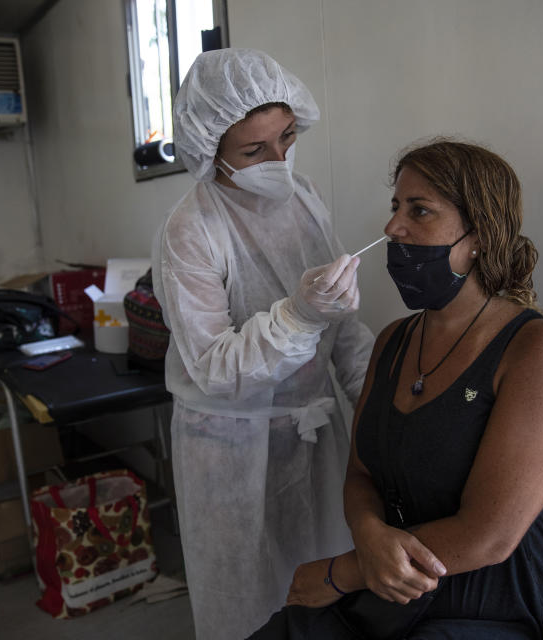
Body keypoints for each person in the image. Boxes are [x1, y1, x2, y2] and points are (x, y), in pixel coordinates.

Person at [250, 139, 543, 639]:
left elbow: (489, 536)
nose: (391, 228)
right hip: (393, 584)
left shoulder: (538, 350)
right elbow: (362, 474)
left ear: (479, 237)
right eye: (395, 207)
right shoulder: (393, 340)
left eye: (419, 210)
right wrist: (367, 536)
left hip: (493, 601)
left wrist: (344, 573)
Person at [151, 48, 375, 640]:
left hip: (315, 433)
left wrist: (379, 399)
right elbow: (214, 367)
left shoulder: (304, 197)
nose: (278, 158)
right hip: (232, 451)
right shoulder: (191, 229)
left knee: (323, 595)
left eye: (287, 136)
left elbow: (344, 330)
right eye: (254, 150)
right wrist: (299, 316)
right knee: (249, 609)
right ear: (210, 150)